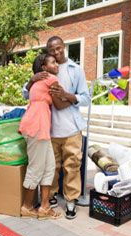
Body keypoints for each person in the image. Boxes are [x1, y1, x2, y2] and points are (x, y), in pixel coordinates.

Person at [22, 36, 91, 219]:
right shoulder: (45, 71)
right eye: (52, 51)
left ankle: (71, 201)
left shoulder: (75, 70)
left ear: (64, 47)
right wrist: (31, 79)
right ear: (47, 53)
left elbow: (85, 98)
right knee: (52, 168)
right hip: (49, 129)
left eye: (59, 49)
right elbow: (25, 93)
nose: (56, 53)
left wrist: (67, 95)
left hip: (71, 129)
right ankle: (49, 199)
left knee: (72, 166)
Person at [19, 54, 69, 220]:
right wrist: (73, 98)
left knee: (49, 167)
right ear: (44, 67)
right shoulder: (50, 78)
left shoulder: (38, 81)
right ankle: (26, 207)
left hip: (41, 127)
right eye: (53, 62)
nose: (57, 65)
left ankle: (44, 207)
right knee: (36, 168)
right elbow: (60, 103)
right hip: (36, 127)